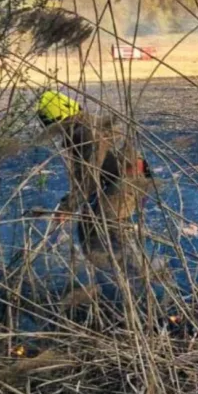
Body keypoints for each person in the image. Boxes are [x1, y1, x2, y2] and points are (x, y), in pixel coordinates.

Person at [36, 91, 153, 273]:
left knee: (103, 228)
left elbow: (88, 180)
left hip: (128, 183)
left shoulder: (83, 134)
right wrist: (69, 203)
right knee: (91, 223)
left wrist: (67, 208)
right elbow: (86, 178)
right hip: (130, 180)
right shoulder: (85, 126)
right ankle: (119, 267)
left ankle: (134, 273)